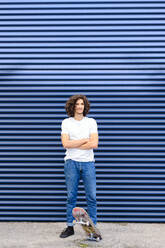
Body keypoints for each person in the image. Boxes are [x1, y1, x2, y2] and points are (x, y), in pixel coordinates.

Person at [59, 94, 99, 238]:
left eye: (82, 104)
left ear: (85, 106)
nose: (80, 106)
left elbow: (94, 144)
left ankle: (93, 229)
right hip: (71, 163)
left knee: (92, 197)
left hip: (88, 164)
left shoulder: (91, 122)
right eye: (77, 104)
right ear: (72, 106)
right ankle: (70, 227)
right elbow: (65, 144)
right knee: (71, 197)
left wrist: (74, 143)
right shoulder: (66, 122)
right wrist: (83, 140)